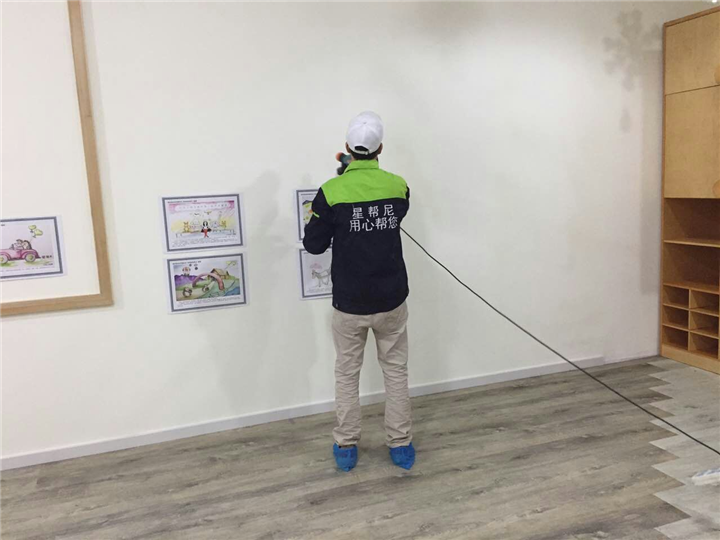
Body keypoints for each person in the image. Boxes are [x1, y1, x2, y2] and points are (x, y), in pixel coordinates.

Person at [303, 111, 414, 472]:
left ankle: (346, 445)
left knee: (347, 373)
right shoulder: (398, 186)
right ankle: (400, 444)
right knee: (395, 371)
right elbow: (392, 217)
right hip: (392, 299)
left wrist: (334, 206)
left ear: (348, 147)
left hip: (349, 303)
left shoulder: (331, 192)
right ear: (380, 148)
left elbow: (314, 245)